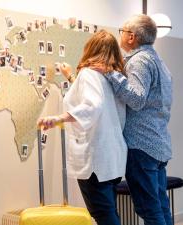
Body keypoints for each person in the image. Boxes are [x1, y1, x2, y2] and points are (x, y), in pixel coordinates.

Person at [61, 14, 173, 225]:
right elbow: (104, 100)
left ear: (131, 37)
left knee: (149, 210)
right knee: (159, 207)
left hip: (142, 146)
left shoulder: (139, 61)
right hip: (157, 144)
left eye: (122, 31)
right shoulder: (158, 61)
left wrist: (110, 73)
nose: (120, 36)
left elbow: (137, 99)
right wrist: (73, 77)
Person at [38, 30, 127, 225]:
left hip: (95, 158)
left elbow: (92, 105)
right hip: (113, 157)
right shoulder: (113, 77)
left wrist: (58, 118)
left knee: (103, 214)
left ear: (91, 49)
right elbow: (95, 100)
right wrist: (71, 77)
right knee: (109, 211)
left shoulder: (88, 74)